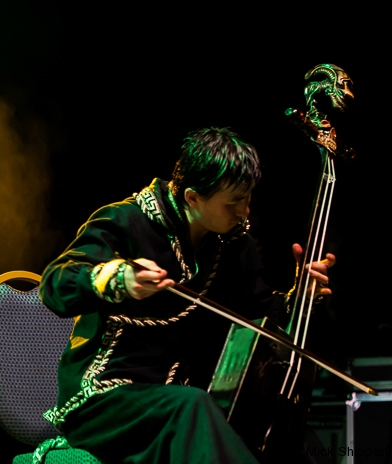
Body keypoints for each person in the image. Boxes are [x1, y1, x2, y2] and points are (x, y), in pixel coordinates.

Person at [39, 127, 333, 464]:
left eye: (248, 198)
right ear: (193, 197)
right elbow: (55, 285)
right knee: (191, 406)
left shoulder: (233, 246)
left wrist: (302, 297)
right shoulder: (126, 221)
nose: (244, 211)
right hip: (105, 402)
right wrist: (117, 277)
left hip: (183, 403)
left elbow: (264, 318)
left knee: (291, 444)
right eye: (234, 201)